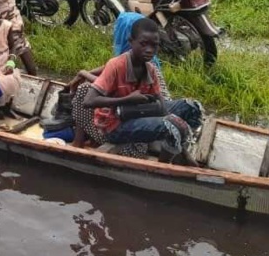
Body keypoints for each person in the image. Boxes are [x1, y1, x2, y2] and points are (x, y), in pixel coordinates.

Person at [81, 18, 202, 164]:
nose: (149, 50)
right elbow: (88, 101)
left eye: (154, 45)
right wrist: (127, 100)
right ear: (131, 42)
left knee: (191, 107)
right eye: (143, 44)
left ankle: (179, 150)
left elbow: (160, 101)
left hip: (137, 112)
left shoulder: (150, 68)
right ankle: (162, 168)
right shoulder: (116, 65)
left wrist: (170, 118)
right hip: (115, 125)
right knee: (173, 126)